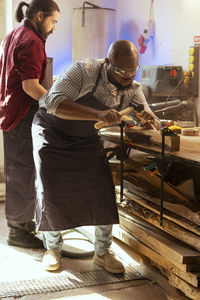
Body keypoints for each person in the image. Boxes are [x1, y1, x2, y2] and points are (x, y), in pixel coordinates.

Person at [32, 40, 160, 272]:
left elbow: (150, 116)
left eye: (133, 70)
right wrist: (97, 112)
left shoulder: (133, 88)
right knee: (51, 187)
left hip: (84, 136)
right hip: (52, 131)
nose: (127, 77)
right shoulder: (84, 71)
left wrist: (149, 120)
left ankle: (102, 252)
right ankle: (53, 249)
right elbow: (53, 102)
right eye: (122, 71)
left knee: (101, 188)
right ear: (108, 63)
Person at [0, 0, 60, 248]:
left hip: (10, 110)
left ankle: (22, 225)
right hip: (22, 114)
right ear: (39, 16)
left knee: (19, 172)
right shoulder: (32, 41)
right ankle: (18, 231)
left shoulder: (14, 34)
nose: (54, 28)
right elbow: (30, 86)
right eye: (53, 21)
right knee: (23, 173)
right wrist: (56, 103)